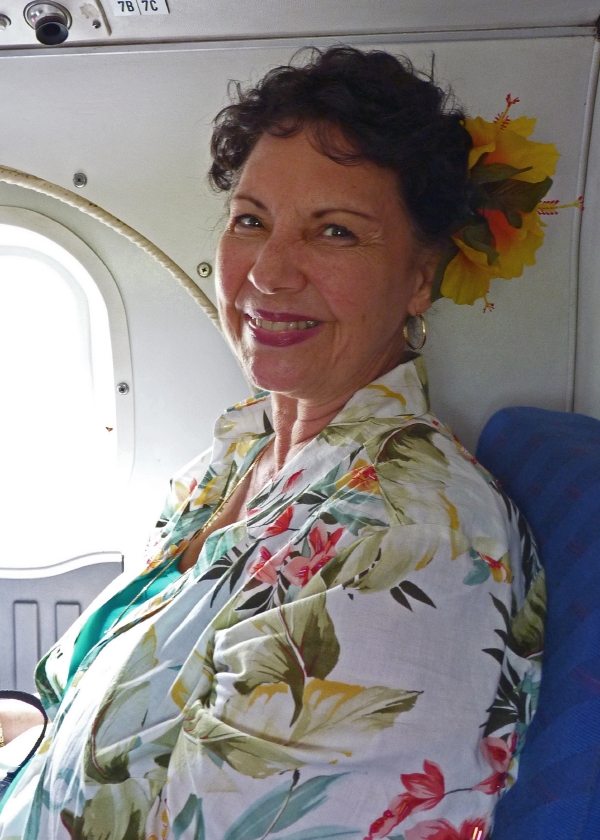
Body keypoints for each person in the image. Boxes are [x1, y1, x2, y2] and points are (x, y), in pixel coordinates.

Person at [0, 47, 545, 840]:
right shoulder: (239, 455)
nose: (268, 273)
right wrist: (29, 731)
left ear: (420, 278)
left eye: (335, 231)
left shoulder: (407, 543)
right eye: (251, 220)